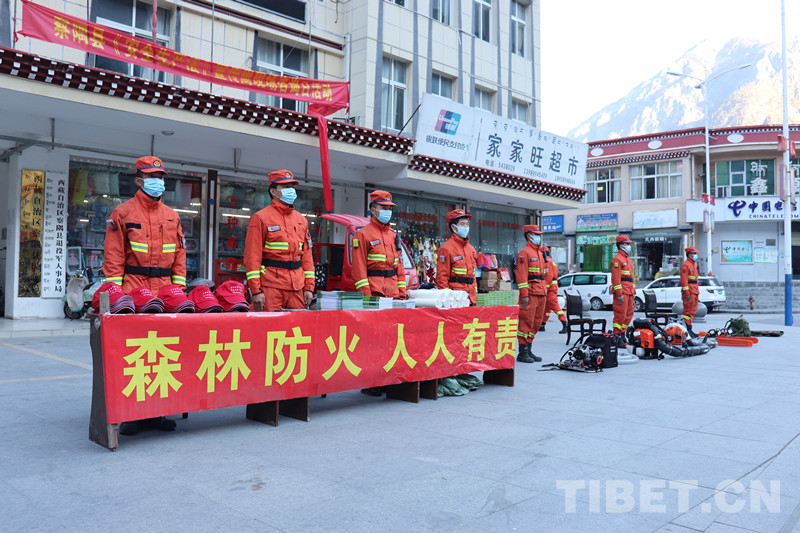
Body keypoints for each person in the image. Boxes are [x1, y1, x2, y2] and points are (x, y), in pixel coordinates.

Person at [103, 155, 186, 435]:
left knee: (163, 352)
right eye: (152, 177)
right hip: (133, 288)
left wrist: (178, 292)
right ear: (139, 180)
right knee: (135, 353)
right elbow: (114, 256)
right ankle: (133, 414)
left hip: (165, 291)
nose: (157, 182)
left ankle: (157, 413)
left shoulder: (172, 216)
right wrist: (115, 295)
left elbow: (180, 257)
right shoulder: (122, 213)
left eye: (161, 177)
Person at [244, 170, 315, 312]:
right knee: (269, 325)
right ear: (273, 192)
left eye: (292, 187)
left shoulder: (301, 220)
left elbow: (307, 257)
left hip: (297, 288)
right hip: (271, 287)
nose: (291, 191)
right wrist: (256, 290)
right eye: (285, 187)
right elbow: (252, 257)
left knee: (297, 325)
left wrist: (309, 287)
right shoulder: (260, 218)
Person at [351, 190, 407, 300]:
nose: (388, 212)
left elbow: (400, 269)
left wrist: (402, 294)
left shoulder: (393, 236)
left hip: (394, 295)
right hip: (374, 294)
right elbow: (358, 271)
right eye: (384, 208)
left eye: (389, 209)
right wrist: (367, 297)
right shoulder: (362, 235)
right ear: (373, 210)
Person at [515, 225, 547, 363]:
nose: (539, 237)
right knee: (526, 322)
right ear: (529, 236)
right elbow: (521, 276)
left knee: (537, 322)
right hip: (531, 294)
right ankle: (522, 352)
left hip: (541, 292)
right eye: (536, 235)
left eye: (539, 235)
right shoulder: (524, 253)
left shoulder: (539, 253)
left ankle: (529, 349)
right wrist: (524, 294)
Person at [435, 208, 478, 305]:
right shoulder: (446, 249)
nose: (466, 227)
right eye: (462, 224)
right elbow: (442, 278)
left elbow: (473, 276)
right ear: (453, 227)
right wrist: (448, 300)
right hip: (455, 298)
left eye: (467, 224)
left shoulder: (471, 249)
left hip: (471, 298)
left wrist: (475, 292)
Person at [611, 234, 636, 347]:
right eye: (627, 244)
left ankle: (622, 334)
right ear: (621, 246)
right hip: (622, 292)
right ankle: (616, 337)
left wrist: (633, 291)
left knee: (629, 314)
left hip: (629, 291)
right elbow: (616, 279)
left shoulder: (628, 260)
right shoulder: (617, 259)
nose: (629, 246)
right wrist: (619, 293)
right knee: (620, 315)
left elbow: (631, 278)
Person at [540, 246, 568, 334]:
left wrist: (545, 288)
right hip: (552, 287)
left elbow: (548, 276)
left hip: (550, 288)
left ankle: (565, 323)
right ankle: (542, 324)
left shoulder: (547, 262)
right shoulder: (550, 261)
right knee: (547, 307)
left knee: (554, 306)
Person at [680, 246, 700, 332]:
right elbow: (684, 280)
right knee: (687, 311)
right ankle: (685, 329)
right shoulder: (685, 265)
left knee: (692, 311)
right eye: (694, 253)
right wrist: (687, 293)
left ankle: (689, 329)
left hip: (694, 290)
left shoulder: (694, 264)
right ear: (689, 254)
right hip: (690, 291)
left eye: (695, 253)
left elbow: (695, 279)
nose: (695, 255)